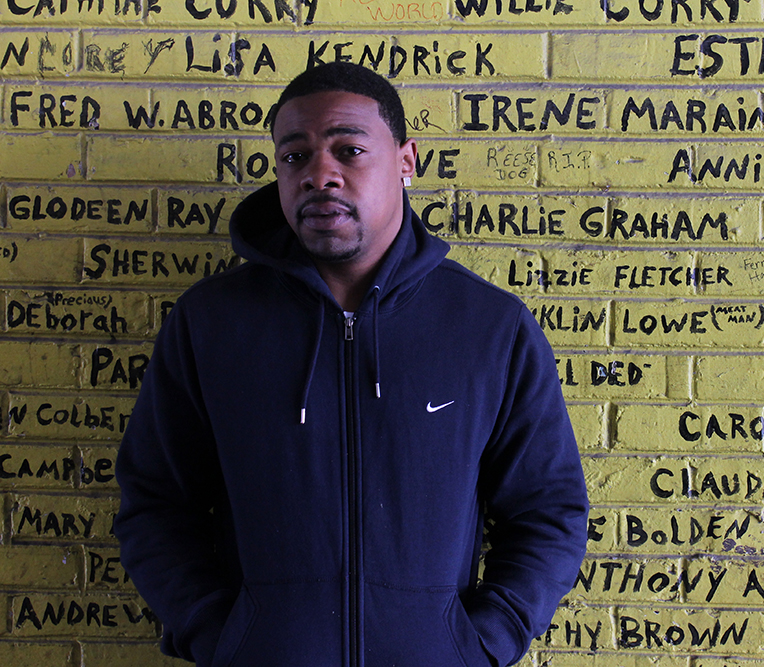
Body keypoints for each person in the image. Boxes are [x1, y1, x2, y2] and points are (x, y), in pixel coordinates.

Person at [113, 62, 589, 667]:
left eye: (349, 149)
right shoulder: (210, 323)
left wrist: (479, 646)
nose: (320, 175)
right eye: (294, 157)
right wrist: (222, 638)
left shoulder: (489, 328)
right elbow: (156, 504)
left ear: (406, 160)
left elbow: (548, 510)